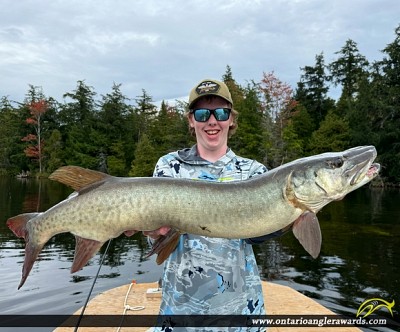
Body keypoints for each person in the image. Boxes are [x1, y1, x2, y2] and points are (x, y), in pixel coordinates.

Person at [146, 79, 270, 332]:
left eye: (221, 112)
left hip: (238, 311)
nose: (212, 121)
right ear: (191, 121)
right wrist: (151, 231)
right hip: (180, 310)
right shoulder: (169, 166)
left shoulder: (254, 172)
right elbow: (158, 240)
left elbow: (261, 234)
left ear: (231, 120)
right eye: (202, 114)